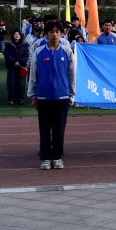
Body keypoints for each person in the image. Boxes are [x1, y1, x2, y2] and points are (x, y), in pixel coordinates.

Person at [27, 21, 76, 170]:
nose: (54, 34)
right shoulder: (39, 51)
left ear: (61, 34)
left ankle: (57, 157)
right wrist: (32, 95)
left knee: (59, 129)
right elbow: (33, 75)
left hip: (62, 97)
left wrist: (71, 95)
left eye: (57, 32)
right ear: (46, 34)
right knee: (44, 129)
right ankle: (46, 158)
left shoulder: (67, 51)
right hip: (43, 97)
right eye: (51, 32)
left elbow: (72, 74)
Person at [4, 30, 29, 105]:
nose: (17, 35)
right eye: (15, 34)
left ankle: (20, 98)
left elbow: (26, 55)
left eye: (18, 34)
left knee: (21, 83)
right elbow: (7, 55)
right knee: (11, 83)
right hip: (11, 66)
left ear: (21, 36)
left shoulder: (25, 45)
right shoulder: (8, 44)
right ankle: (11, 98)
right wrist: (14, 61)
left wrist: (20, 62)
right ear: (13, 35)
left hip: (21, 67)